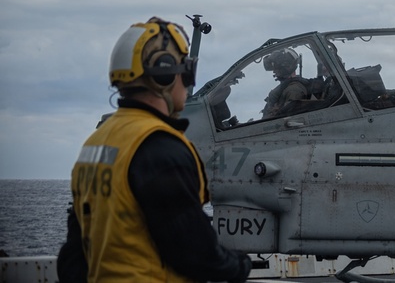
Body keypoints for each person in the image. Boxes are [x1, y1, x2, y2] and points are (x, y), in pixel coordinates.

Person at [57, 16, 252, 283]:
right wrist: (241, 265)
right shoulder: (160, 148)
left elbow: (72, 257)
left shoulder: (96, 143)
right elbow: (196, 253)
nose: (187, 84)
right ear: (165, 74)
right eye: (187, 72)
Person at [261, 48, 310, 118]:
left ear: (286, 67)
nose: (274, 71)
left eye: (276, 67)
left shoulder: (293, 90)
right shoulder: (285, 89)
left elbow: (290, 120)